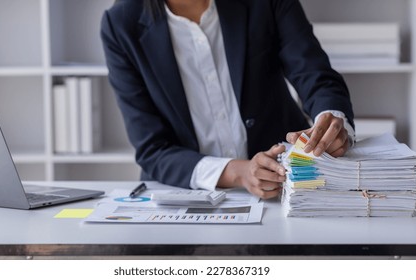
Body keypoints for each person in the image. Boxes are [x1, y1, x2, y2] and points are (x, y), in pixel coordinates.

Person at [100, 0, 355, 199]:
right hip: (187, 193)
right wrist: (238, 172)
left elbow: (314, 74)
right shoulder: (121, 23)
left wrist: (332, 120)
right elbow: (152, 149)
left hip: (285, 185)